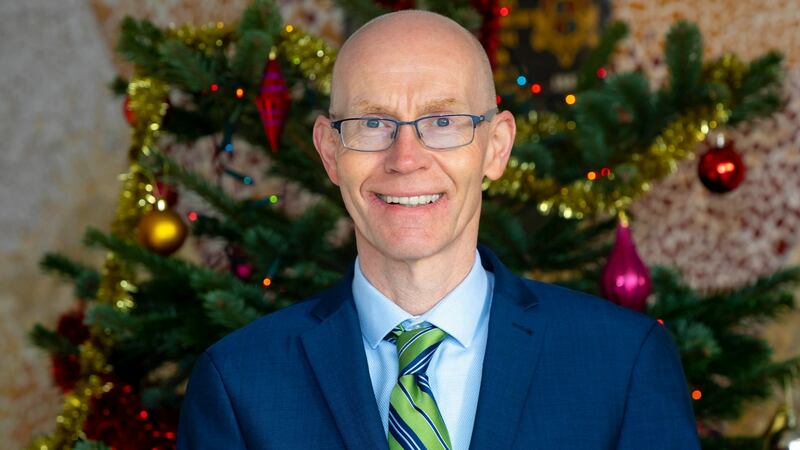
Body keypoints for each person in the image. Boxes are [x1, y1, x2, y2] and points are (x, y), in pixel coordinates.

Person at [177, 10, 700, 450]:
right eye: (372, 123)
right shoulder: (238, 381)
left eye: (443, 122)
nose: (406, 160)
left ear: (495, 147)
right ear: (330, 151)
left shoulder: (623, 362)